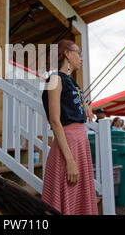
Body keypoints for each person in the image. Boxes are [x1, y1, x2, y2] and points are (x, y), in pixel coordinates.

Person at [41, 39, 97, 215]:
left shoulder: (72, 83)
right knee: (66, 199)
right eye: (78, 52)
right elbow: (55, 121)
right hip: (68, 148)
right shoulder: (55, 79)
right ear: (67, 53)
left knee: (79, 200)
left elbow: (72, 102)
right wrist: (70, 161)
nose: (81, 57)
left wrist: (85, 105)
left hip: (80, 144)